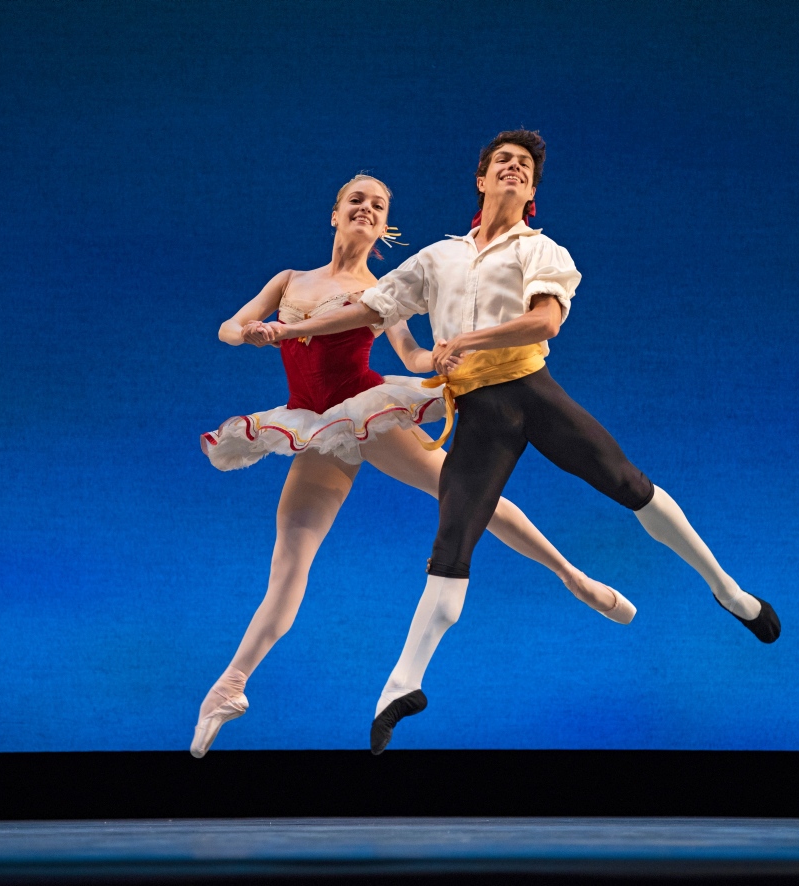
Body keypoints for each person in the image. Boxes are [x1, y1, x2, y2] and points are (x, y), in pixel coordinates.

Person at [264, 133, 781, 754]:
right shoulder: (438, 258)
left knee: (627, 484)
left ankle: (727, 590)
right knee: (451, 545)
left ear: (531, 191)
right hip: (480, 416)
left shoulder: (541, 250)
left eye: (525, 167)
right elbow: (370, 307)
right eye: (502, 162)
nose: (513, 169)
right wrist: (285, 330)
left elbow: (545, 321)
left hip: (532, 393)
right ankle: (402, 685)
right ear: (481, 181)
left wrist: (468, 342)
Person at [191, 174, 634, 758]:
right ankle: (230, 686)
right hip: (310, 426)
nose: (367, 210)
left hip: (368, 414)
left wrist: (450, 353)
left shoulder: (382, 288)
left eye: (378, 206)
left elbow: (413, 355)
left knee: (473, 499)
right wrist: (248, 332)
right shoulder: (290, 280)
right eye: (357, 201)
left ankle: (573, 576)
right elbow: (228, 326)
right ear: (335, 214)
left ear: (383, 225)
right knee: (289, 563)